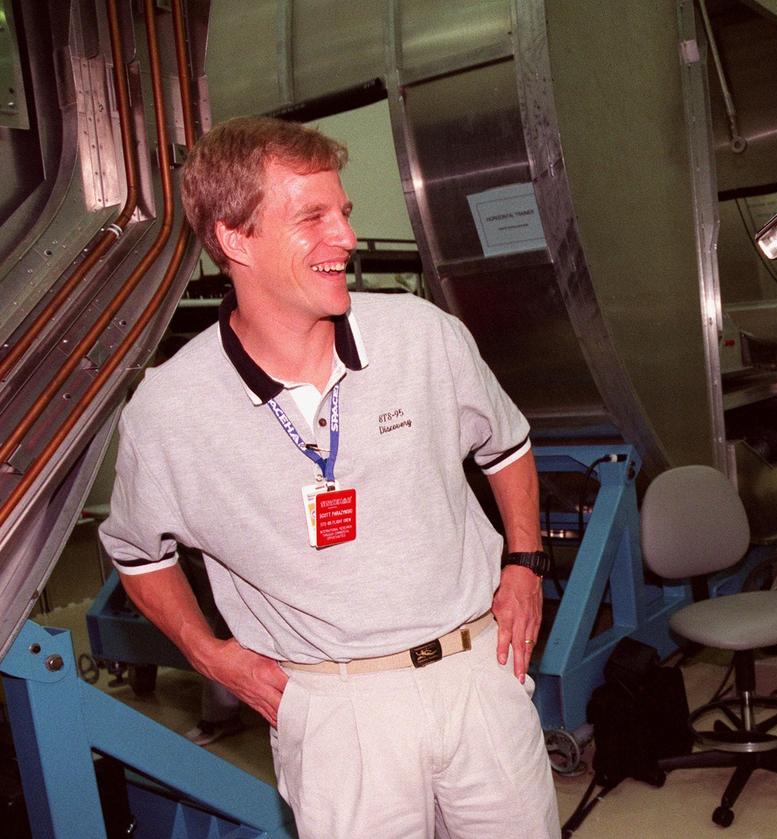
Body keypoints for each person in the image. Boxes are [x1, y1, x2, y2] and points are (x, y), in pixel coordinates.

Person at [100, 116, 558, 838]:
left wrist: (525, 561)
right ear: (234, 238)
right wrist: (209, 655)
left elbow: (506, 445)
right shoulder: (171, 408)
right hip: (336, 709)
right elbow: (137, 554)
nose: (344, 237)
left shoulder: (421, 333)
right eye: (311, 217)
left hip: (476, 673)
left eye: (342, 213)